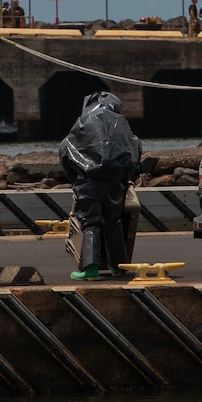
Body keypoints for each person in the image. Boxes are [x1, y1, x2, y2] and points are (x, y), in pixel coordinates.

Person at [60, 91, 143, 280]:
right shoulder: (121, 124)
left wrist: (76, 179)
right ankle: (118, 267)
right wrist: (123, 178)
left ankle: (90, 269)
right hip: (114, 185)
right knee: (114, 223)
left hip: (89, 184)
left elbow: (65, 152)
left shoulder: (83, 123)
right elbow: (135, 150)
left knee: (90, 223)